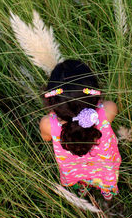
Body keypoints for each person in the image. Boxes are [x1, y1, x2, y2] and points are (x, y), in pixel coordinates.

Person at [39, 59, 121, 201]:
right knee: (106, 180)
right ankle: (106, 192)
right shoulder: (108, 110)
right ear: (94, 92)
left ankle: (83, 187)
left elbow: (46, 138)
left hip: (74, 170)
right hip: (104, 168)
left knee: (80, 178)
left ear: (52, 101)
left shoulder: (47, 124)